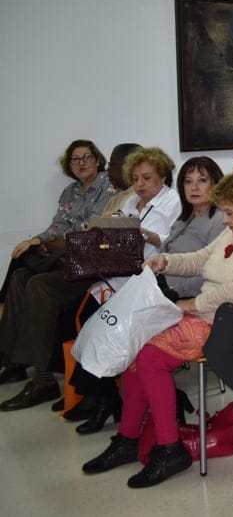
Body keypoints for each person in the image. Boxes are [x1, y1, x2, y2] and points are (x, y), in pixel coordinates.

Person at [81, 173, 233, 487]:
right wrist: (164, 261)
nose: (224, 219)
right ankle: (128, 438)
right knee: (137, 346)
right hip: (212, 315)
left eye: (230, 213)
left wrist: (189, 305)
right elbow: (200, 259)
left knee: (151, 356)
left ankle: (170, 449)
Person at [0, 146, 181, 411]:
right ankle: (14, 361)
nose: (139, 184)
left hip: (129, 272)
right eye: (136, 179)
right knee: (20, 274)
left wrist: (139, 233)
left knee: (40, 286)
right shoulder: (127, 200)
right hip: (101, 262)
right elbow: (74, 227)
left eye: (146, 178)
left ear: (162, 177)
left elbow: (171, 243)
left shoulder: (170, 201)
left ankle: (48, 380)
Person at [68, 156, 227, 434]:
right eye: (188, 181)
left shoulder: (219, 222)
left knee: (118, 330)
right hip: (159, 286)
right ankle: (107, 398)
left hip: (181, 295)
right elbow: (167, 256)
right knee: (103, 318)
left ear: (216, 184)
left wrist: (168, 287)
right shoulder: (185, 218)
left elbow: (210, 272)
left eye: (203, 181)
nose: (194, 187)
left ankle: (107, 399)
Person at [0, 140, 119, 306]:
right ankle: (6, 313)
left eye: (86, 157)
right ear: (69, 165)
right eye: (75, 159)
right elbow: (58, 224)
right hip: (64, 250)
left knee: (31, 261)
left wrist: (51, 242)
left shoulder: (108, 185)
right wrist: (38, 240)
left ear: (97, 160)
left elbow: (91, 225)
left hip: (89, 253)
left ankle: (1, 305)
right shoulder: (70, 191)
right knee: (22, 261)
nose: (81, 163)